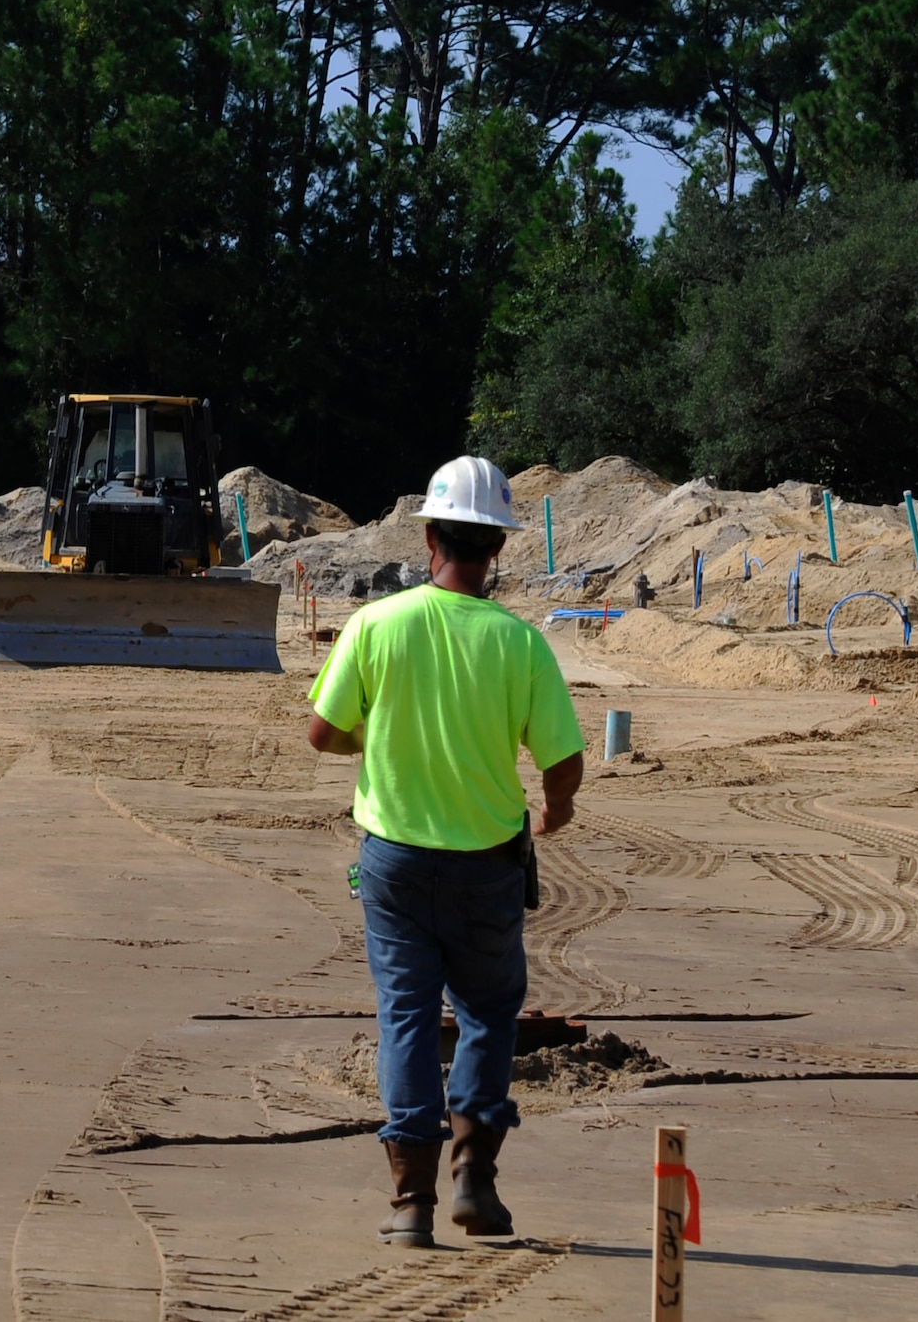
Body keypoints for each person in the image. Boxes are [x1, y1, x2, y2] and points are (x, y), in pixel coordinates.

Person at [305, 455, 584, 1246]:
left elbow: (324, 733)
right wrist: (556, 811)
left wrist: (380, 738)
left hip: (393, 861)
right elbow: (562, 761)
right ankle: (476, 1178)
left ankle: (410, 1207)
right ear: (496, 546)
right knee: (488, 1014)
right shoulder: (520, 643)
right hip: (488, 865)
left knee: (405, 1018)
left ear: (429, 536)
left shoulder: (375, 625)